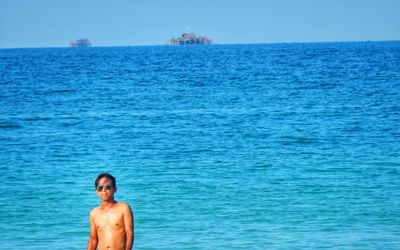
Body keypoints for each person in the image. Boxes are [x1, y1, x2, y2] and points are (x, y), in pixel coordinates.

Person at [87, 173, 134, 250]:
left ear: (115, 189)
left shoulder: (124, 208)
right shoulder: (94, 213)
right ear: (96, 191)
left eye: (108, 187)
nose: (104, 190)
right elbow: (93, 239)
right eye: (100, 188)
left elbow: (130, 234)